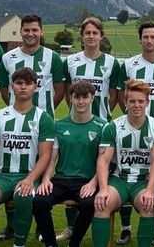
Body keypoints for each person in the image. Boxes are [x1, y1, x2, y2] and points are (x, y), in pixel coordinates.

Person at [0, 67, 56, 247]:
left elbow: (46, 155)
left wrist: (30, 179)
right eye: (19, 83)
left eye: (27, 83)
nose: (23, 87)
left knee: (24, 196)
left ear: (35, 87)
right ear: (12, 87)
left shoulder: (44, 118)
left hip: (28, 175)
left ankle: (19, 244)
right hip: (2, 176)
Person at [64, 17, 128, 240]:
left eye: (95, 33)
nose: (91, 36)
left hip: (103, 125)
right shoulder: (71, 61)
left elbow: (115, 95)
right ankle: (71, 226)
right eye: (87, 33)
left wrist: (103, 115)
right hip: (78, 123)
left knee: (110, 173)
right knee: (71, 172)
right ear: (82, 36)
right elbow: (66, 92)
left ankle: (124, 226)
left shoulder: (113, 63)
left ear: (101, 35)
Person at [91, 80, 154, 247]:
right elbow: (103, 161)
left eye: (141, 101)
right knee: (102, 204)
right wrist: (103, 189)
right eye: (132, 101)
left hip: (143, 181)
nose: (136, 105)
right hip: (119, 180)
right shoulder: (113, 127)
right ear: (125, 102)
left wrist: (150, 191)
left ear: (147, 102)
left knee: (148, 205)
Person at [31, 81, 107, 247]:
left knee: (89, 204)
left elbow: (104, 161)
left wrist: (94, 183)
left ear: (92, 98)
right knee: (39, 201)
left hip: (87, 181)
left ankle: (73, 244)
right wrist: (46, 180)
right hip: (62, 179)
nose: (81, 102)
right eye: (76, 97)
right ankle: (51, 244)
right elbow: (51, 159)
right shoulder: (59, 126)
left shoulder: (103, 126)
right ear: (70, 99)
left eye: (85, 97)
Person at [0, 14, 66, 117]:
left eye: (34, 30)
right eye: (26, 30)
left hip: (44, 120)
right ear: (20, 31)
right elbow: (4, 91)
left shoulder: (53, 57)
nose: (30, 34)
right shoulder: (7, 58)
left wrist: (47, 110)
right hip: (15, 117)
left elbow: (60, 91)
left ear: (41, 32)